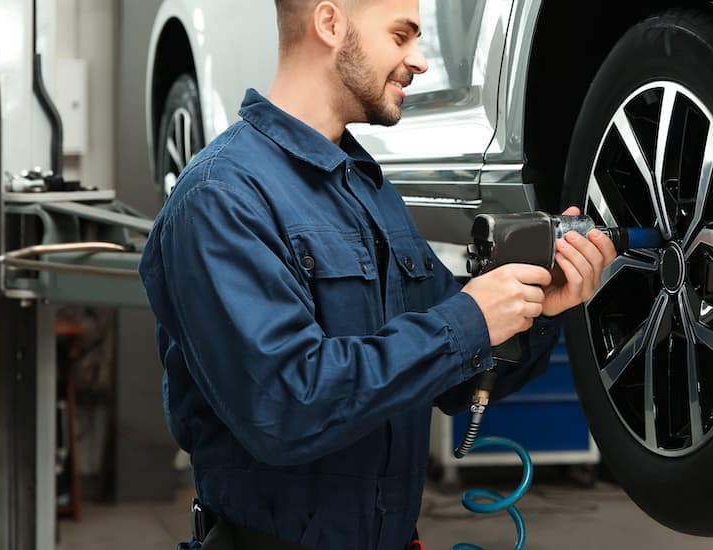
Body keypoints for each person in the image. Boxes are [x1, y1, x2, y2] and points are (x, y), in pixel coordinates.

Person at [138, 0, 618, 548]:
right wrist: (471, 319)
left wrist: (535, 312)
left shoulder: (369, 191)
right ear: (329, 23)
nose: (419, 62)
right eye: (400, 36)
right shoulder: (220, 199)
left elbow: (455, 377)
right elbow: (286, 407)